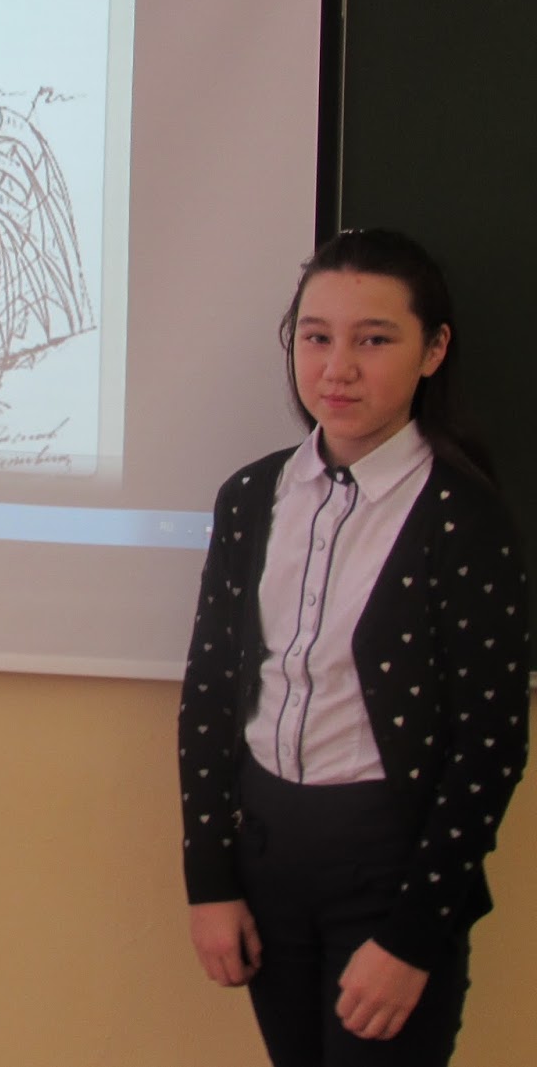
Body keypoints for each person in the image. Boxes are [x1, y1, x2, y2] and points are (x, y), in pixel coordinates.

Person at [178, 228, 531, 1066]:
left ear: (433, 350)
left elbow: (489, 744)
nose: (337, 368)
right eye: (316, 337)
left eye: (374, 340)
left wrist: (412, 936)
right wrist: (211, 880)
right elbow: (211, 695)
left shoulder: (464, 518)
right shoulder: (252, 496)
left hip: (389, 874)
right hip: (268, 860)